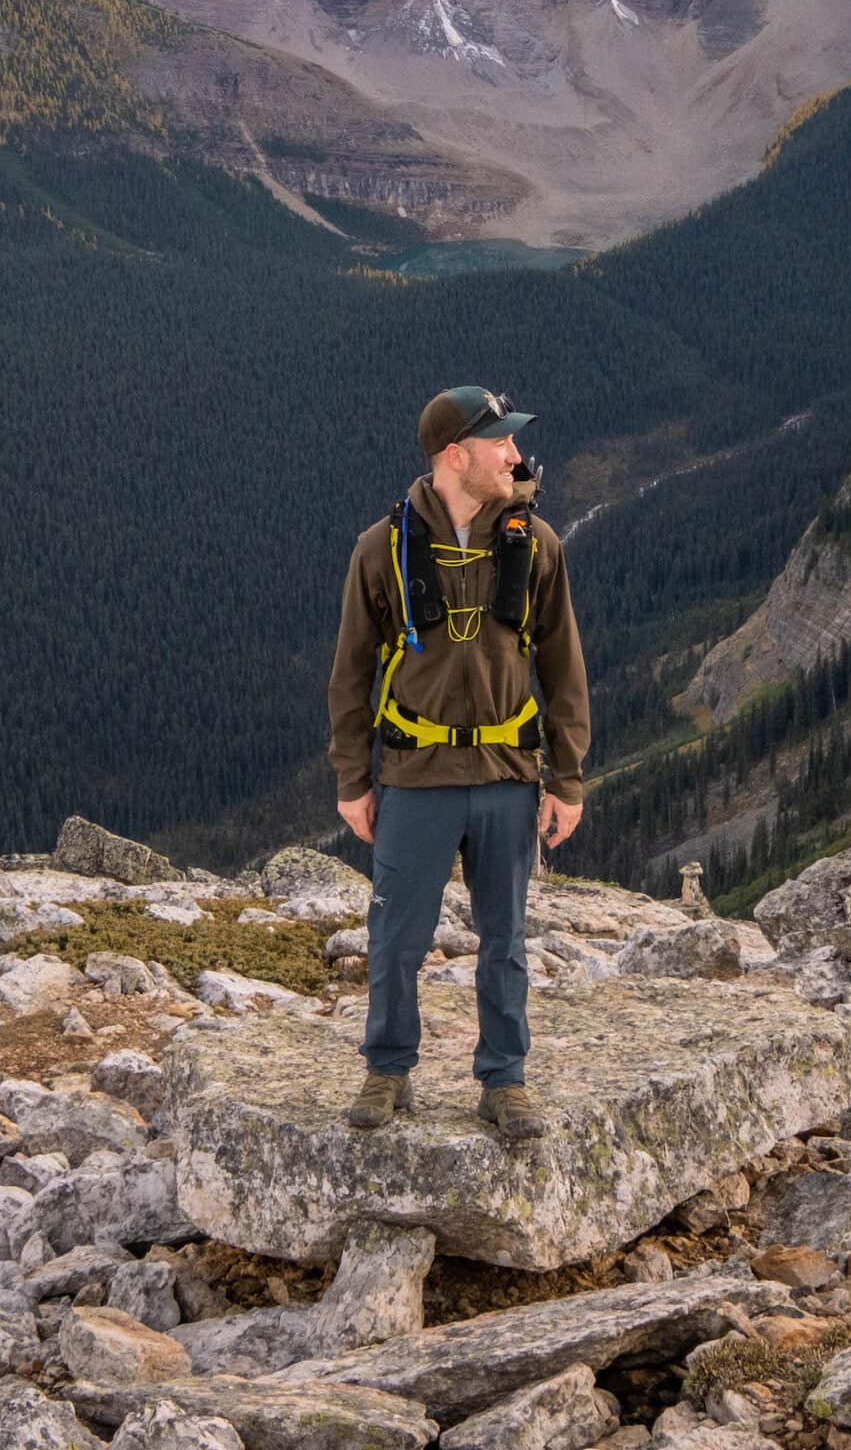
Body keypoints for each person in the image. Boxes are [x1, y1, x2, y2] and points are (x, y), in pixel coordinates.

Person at [327, 384, 589, 1141]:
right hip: (415, 776)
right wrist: (353, 778)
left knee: (503, 938)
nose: (515, 454)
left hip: (509, 776)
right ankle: (387, 1069)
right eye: (498, 441)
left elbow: (565, 670)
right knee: (396, 936)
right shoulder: (381, 548)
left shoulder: (536, 544)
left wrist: (565, 778)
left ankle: (503, 1080)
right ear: (454, 456)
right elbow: (350, 670)